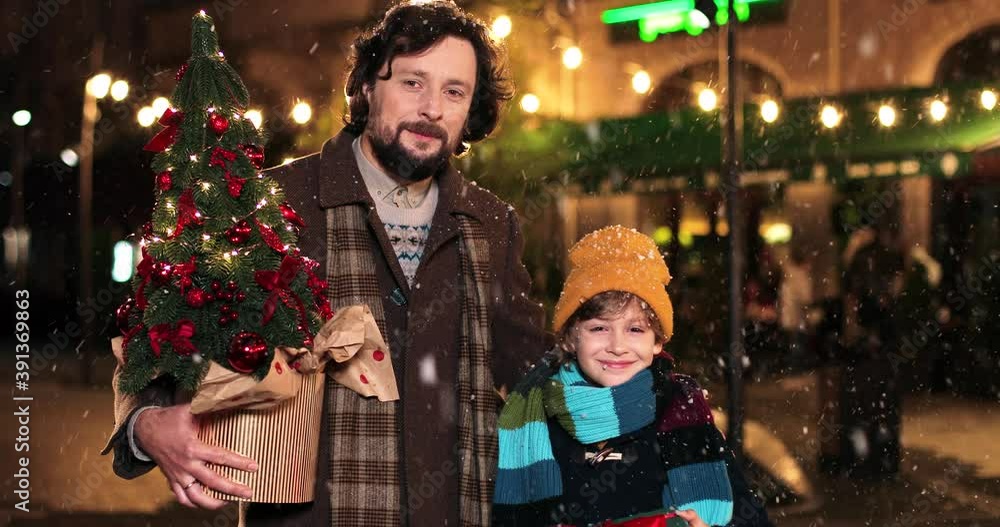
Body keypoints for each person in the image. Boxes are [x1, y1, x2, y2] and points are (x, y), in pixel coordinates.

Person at [101, 2, 549, 525]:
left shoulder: (492, 224)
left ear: (471, 109)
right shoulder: (271, 201)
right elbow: (168, 332)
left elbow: (532, 375)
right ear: (365, 87)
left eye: (455, 91)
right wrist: (146, 423)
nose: (432, 107)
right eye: (411, 82)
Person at [492, 226, 770, 526]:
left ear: (658, 341)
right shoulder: (532, 421)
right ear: (571, 338)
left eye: (635, 329)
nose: (617, 346)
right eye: (599, 328)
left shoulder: (684, 415)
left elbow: (751, 518)